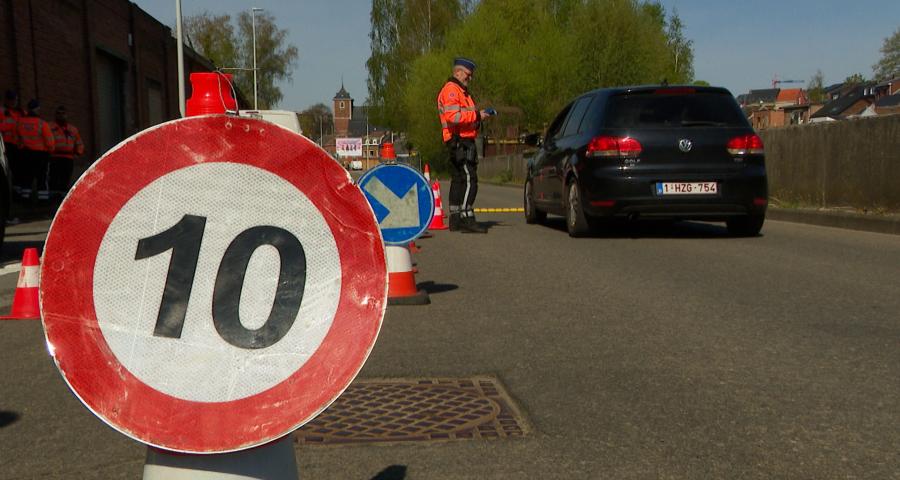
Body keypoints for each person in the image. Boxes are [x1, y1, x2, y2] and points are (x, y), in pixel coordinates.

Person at [437, 57, 494, 233]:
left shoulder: (460, 91)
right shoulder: (453, 90)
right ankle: (466, 217)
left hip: (457, 140)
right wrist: (477, 116)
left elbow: (460, 113)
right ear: (458, 72)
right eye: (468, 75)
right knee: (470, 179)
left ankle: (455, 218)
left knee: (459, 179)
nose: (470, 79)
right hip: (460, 140)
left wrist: (479, 115)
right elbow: (453, 116)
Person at [15, 99, 54, 201]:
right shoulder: (42, 123)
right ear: (37, 109)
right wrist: (50, 150)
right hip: (40, 155)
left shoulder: (20, 122)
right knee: (42, 178)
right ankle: (43, 200)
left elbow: (17, 138)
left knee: (26, 177)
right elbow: (49, 141)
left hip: (25, 153)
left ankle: (24, 199)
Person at [46, 106, 83, 203]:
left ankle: (62, 199)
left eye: (63, 113)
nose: (61, 116)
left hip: (68, 158)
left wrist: (78, 152)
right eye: (59, 113)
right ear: (55, 115)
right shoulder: (49, 127)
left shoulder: (72, 129)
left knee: (65, 178)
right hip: (54, 157)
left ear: (66, 115)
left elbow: (79, 142)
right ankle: (53, 198)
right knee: (53, 177)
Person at [1, 90, 24, 197]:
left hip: (18, 145)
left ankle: (17, 192)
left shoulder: (20, 113)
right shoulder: (2, 111)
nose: (13, 102)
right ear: (6, 100)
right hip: (5, 145)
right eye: (11, 99)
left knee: (18, 170)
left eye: (14, 100)